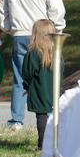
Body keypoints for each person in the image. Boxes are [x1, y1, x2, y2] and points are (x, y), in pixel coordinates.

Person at [0, 0, 66, 130]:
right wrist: (58, 29)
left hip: (20, 34)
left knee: (21, 77)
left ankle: (17, 120)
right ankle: (50, 115)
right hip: (44, 35)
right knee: (48, 77)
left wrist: (8, 28)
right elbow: (56, 9)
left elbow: (3, 8)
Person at [22, 19, 56, 149]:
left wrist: (27, 86)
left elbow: (27, 73)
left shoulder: (33, 53)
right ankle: (55, 142)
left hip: (38, 90)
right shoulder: (57, 53)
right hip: (54, 90)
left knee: (41, 116)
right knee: (55, 117)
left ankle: (43, 144)